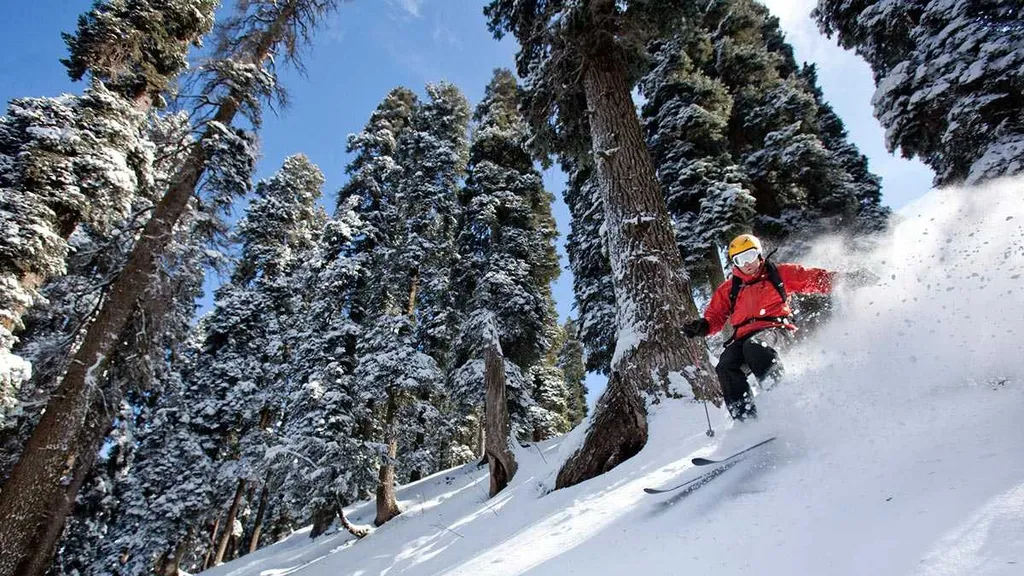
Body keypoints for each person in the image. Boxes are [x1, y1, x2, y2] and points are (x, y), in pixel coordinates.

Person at [683, 234, 835, 421]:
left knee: (755, 347)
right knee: (725, 365)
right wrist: (703, 326)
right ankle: (745, 420)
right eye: (740, 259)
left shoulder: (778, 274)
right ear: (734, 263)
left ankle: (781, 397)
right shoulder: (729, 288)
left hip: (776, 329)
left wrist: (844, 279)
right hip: (743, 338)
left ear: (759, 254)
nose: (747, 264)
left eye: (750, 256)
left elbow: (812, 278)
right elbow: (715, 315)